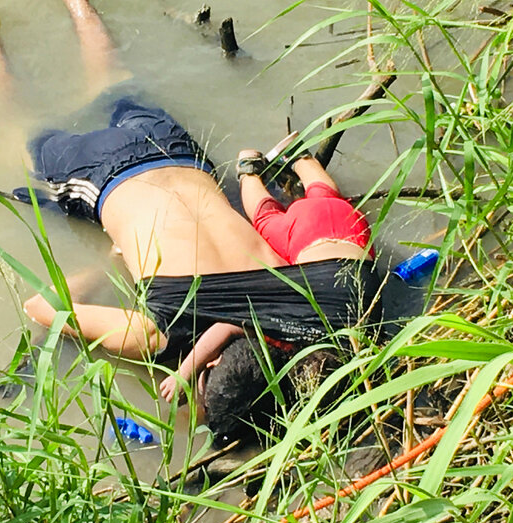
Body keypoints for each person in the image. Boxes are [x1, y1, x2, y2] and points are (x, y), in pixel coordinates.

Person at [0, 0, 382, 375]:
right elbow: (41, 306)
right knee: (18, 131)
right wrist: (108, 262)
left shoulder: (295, 293)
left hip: (180, 155)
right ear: (210, 363)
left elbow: (324, 234)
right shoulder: (159, 334)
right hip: (105, 175)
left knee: (115, 81)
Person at [158, 145, 377, 403]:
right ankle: (248, 169)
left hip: (352, 229)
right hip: (306, 236)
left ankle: (301, 159)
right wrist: (184, 373)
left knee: (324, 194)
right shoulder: (291, 331)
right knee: (264, 217)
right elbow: (227, 326)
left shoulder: (361, 341)